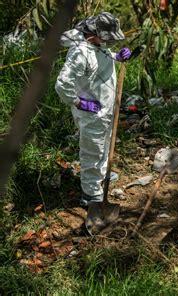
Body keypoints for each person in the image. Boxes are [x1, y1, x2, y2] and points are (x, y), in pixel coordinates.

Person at [55, 12, 131, 229]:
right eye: (106, 38)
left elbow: (101, 58)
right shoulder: (79, 53)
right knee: (92, 152)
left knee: (103, 147)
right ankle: (91, 195)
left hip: (105, 108)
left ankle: (101, 176)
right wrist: (79, 102)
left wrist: (117, 57)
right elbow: (62, 84)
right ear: (93, 34)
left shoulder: (96, 45)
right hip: (91, 112)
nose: (108, 42)